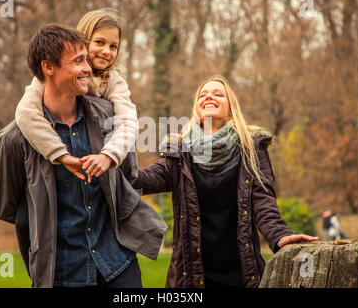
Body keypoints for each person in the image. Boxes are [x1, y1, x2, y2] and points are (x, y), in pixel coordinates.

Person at [0, 24, 167, 288]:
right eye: (78, 61)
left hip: (118, 264)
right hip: (62, 273)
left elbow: (128, 176)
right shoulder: (14, 139)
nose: (89, 68)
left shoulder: (111, 118)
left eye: (86, 59)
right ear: (48, 67)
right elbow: (9, 207)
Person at [132, 75, 318, 288]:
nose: (209, 97)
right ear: (198, 109)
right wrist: (110, 159)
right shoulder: (179, 152)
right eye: (203, 95)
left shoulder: (251, 149)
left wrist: (280, 236)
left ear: (231, 109)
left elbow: (264, 203)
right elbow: (143, 180)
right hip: (190, 279)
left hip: (241, 275)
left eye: (218, 94)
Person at [15, 8, 138, 182]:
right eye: (100, 42)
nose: (106, 51)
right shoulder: (53, 75)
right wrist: (60, 154)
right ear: (83, 41)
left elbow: (128, 121)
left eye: (113, 46)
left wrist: (109, 155)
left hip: (98, 163)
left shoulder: (112, 81)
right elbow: (25, 113)